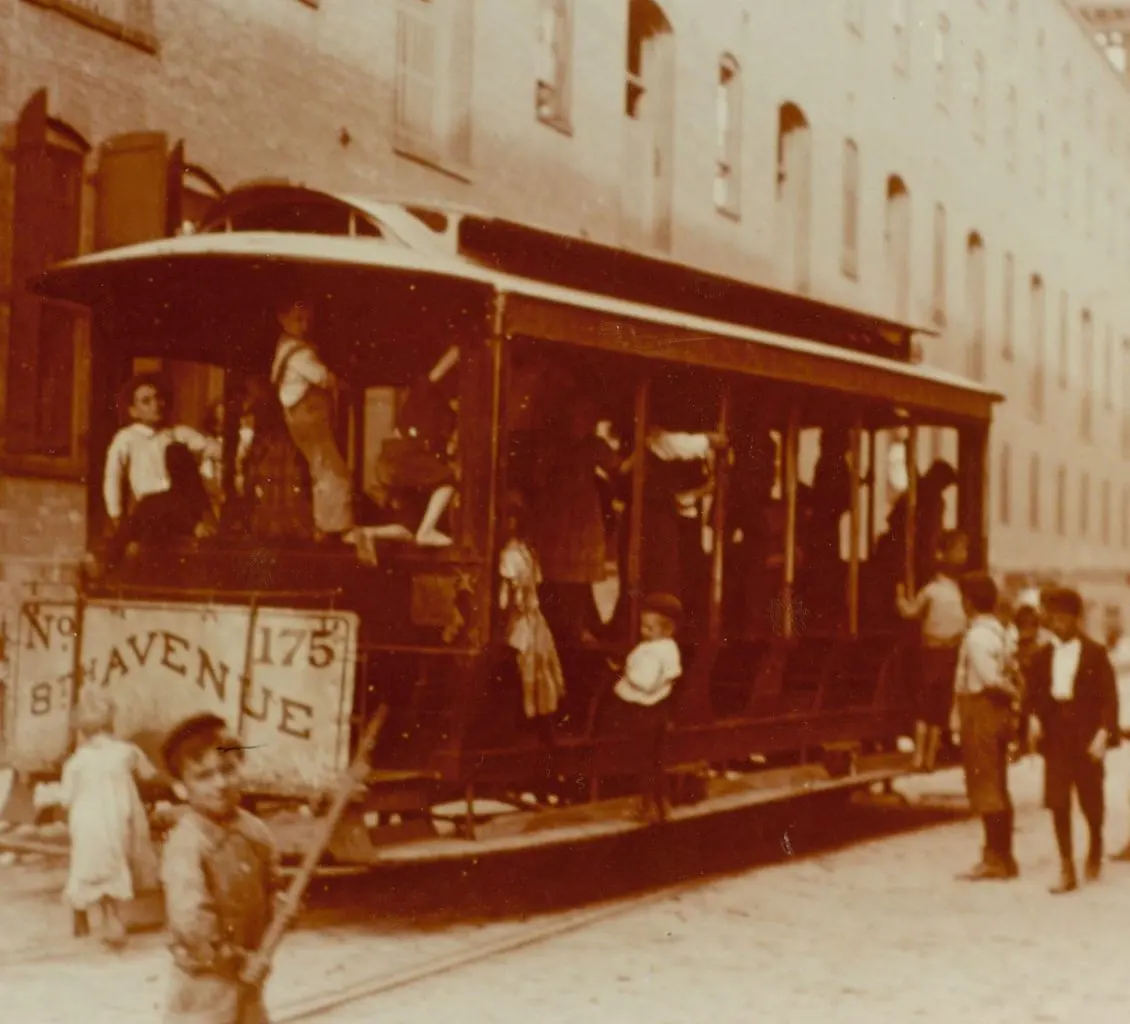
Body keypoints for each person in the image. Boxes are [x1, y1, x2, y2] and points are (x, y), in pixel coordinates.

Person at [159, 713, 281, 1024]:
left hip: (249, 980)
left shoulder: (256, 832)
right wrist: (237, 960)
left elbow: (271, 884)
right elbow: (191, 923)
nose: (220, 784)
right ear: (180, 788)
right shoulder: (187, 843)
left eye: (228, 769)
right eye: (203, 776)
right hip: (204, 985)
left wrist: (279, 906)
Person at [1023, 587, 1119, 894]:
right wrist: (1034, 719)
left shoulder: (1095, 653)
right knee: (1058, 801)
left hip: (1086, 734)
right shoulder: (1041, 657)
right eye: (1053, 619)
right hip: (1056, 734)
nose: (1058, 624)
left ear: (1077, 619)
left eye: (1064, 618)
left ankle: (1095, 843)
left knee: (1091, 800)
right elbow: (1032, 696)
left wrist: (1104, 733)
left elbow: (1109, 698)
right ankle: (1066, 866)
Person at [57, 689, 161, 949]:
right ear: (111, 723)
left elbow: (65, 799)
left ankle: (81, 912)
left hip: (85, 820)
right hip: (116, 818)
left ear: (83, 731)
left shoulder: (76, 762)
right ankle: (111, 920)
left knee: (86, 864)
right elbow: (150, 775)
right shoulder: (126, 752)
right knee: (113, 864)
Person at [953, 573, 1021, 882]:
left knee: (985, 785)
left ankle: (994, 857)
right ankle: (1005, 857)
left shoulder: (977, 637)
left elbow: (991, 678)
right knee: (998, 784)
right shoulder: (1000, 632)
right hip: (995, 713)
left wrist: (1012, 692)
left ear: (968, 602)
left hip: (981, 710)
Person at [270, 297, 355, 543]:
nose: (304, 325)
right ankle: (337, 525)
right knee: (333, 469)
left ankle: (324, 522)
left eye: (308, 320)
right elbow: (321, 377)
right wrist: (338, 382)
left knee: (320, 467)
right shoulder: (299, 352)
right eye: (298, 319)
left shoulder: (285, 348)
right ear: (282, 318)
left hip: (299, 417)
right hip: (309, 415)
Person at [599, 592, 684, 815]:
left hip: (644, 712)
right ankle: (661, 805)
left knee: (644, 761)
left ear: (668, 629)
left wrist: (621, 671)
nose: (644, 631)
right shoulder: (669, 648)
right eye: (643, 626)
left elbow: (645, 682)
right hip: (660, 710)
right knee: (657, 761)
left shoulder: (653, 651)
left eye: (649, 628)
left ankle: (647, 806)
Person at [102, 375, 217, 529]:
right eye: (146, 401)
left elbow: (213, 449)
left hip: (182, 509)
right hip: (151, 510)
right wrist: (115, 515)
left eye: (158, 398)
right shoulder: (127, 438)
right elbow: (113, 476)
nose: (155, 405)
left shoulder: (177, 433)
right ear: (133, 411)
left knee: (177, 451)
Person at [896, 530, 969, 772]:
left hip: (950, 652)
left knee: (939, 705)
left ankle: (928, 758)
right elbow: (910, 612)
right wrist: (900, 595)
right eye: (958, 550)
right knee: (927, 704)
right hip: (933, 653)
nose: (963, 556)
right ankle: (920, 757)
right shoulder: (931, 590)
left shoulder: (958, 590)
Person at [499, 492, 566, 726]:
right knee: (531, 660)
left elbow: (512, 593)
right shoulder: (518, 553)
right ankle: (532, 711)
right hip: (525, 615)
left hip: (526, 615)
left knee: (534, 660)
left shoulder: (517, 553)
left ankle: (533, 711)